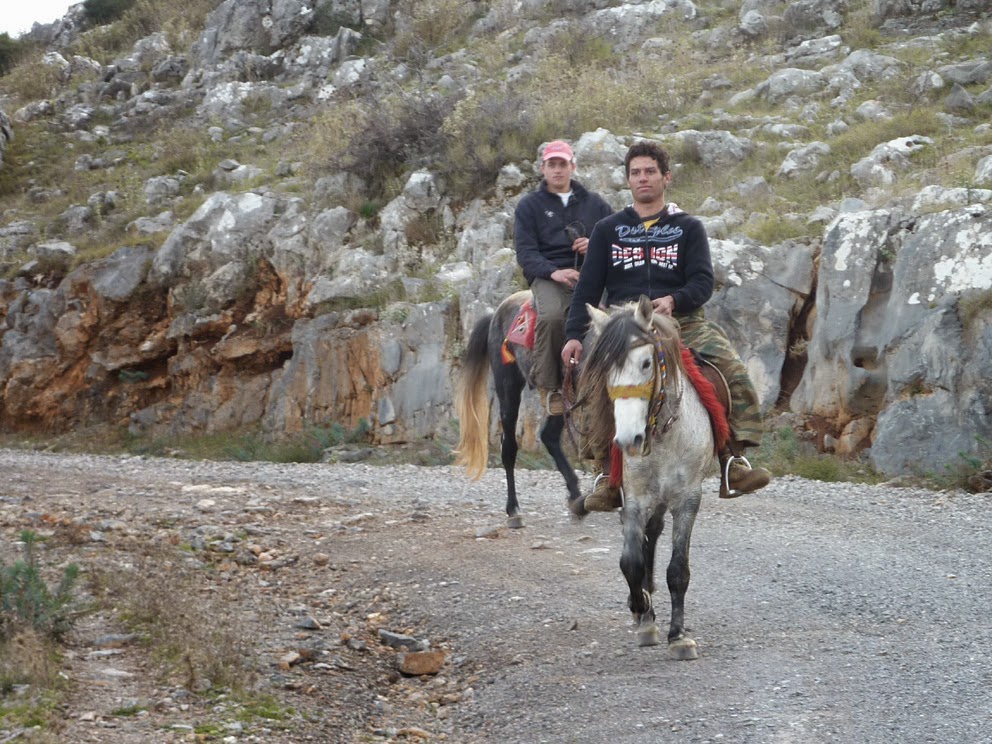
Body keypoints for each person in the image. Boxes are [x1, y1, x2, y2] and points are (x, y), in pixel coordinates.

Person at [561, 140, 771, 510]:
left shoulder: (687, 227)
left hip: (681, 321)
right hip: (624, 327)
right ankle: (604, 475)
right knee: (594, 384)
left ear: (666, 177)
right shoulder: (608, 230)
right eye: (636, 173)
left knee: (731, 370)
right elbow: (588, 290)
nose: (643, 178)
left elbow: (703, 282)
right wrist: (573, 336)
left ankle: (732, 460)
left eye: (650, 171)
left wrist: (674, 300)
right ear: (628, 180)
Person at [514, 139, 613, 417]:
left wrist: (594, 244)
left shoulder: (596, 204)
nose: (558, 170)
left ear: (573, 166)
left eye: (563, 164)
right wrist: (553, 272)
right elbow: (525, 251)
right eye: (552, 164)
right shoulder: (528, 206)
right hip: (548, 276)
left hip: (591, 273)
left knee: (618, 316)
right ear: (543, 169)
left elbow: (617, 238)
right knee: (553, 316)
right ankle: (552, 387)